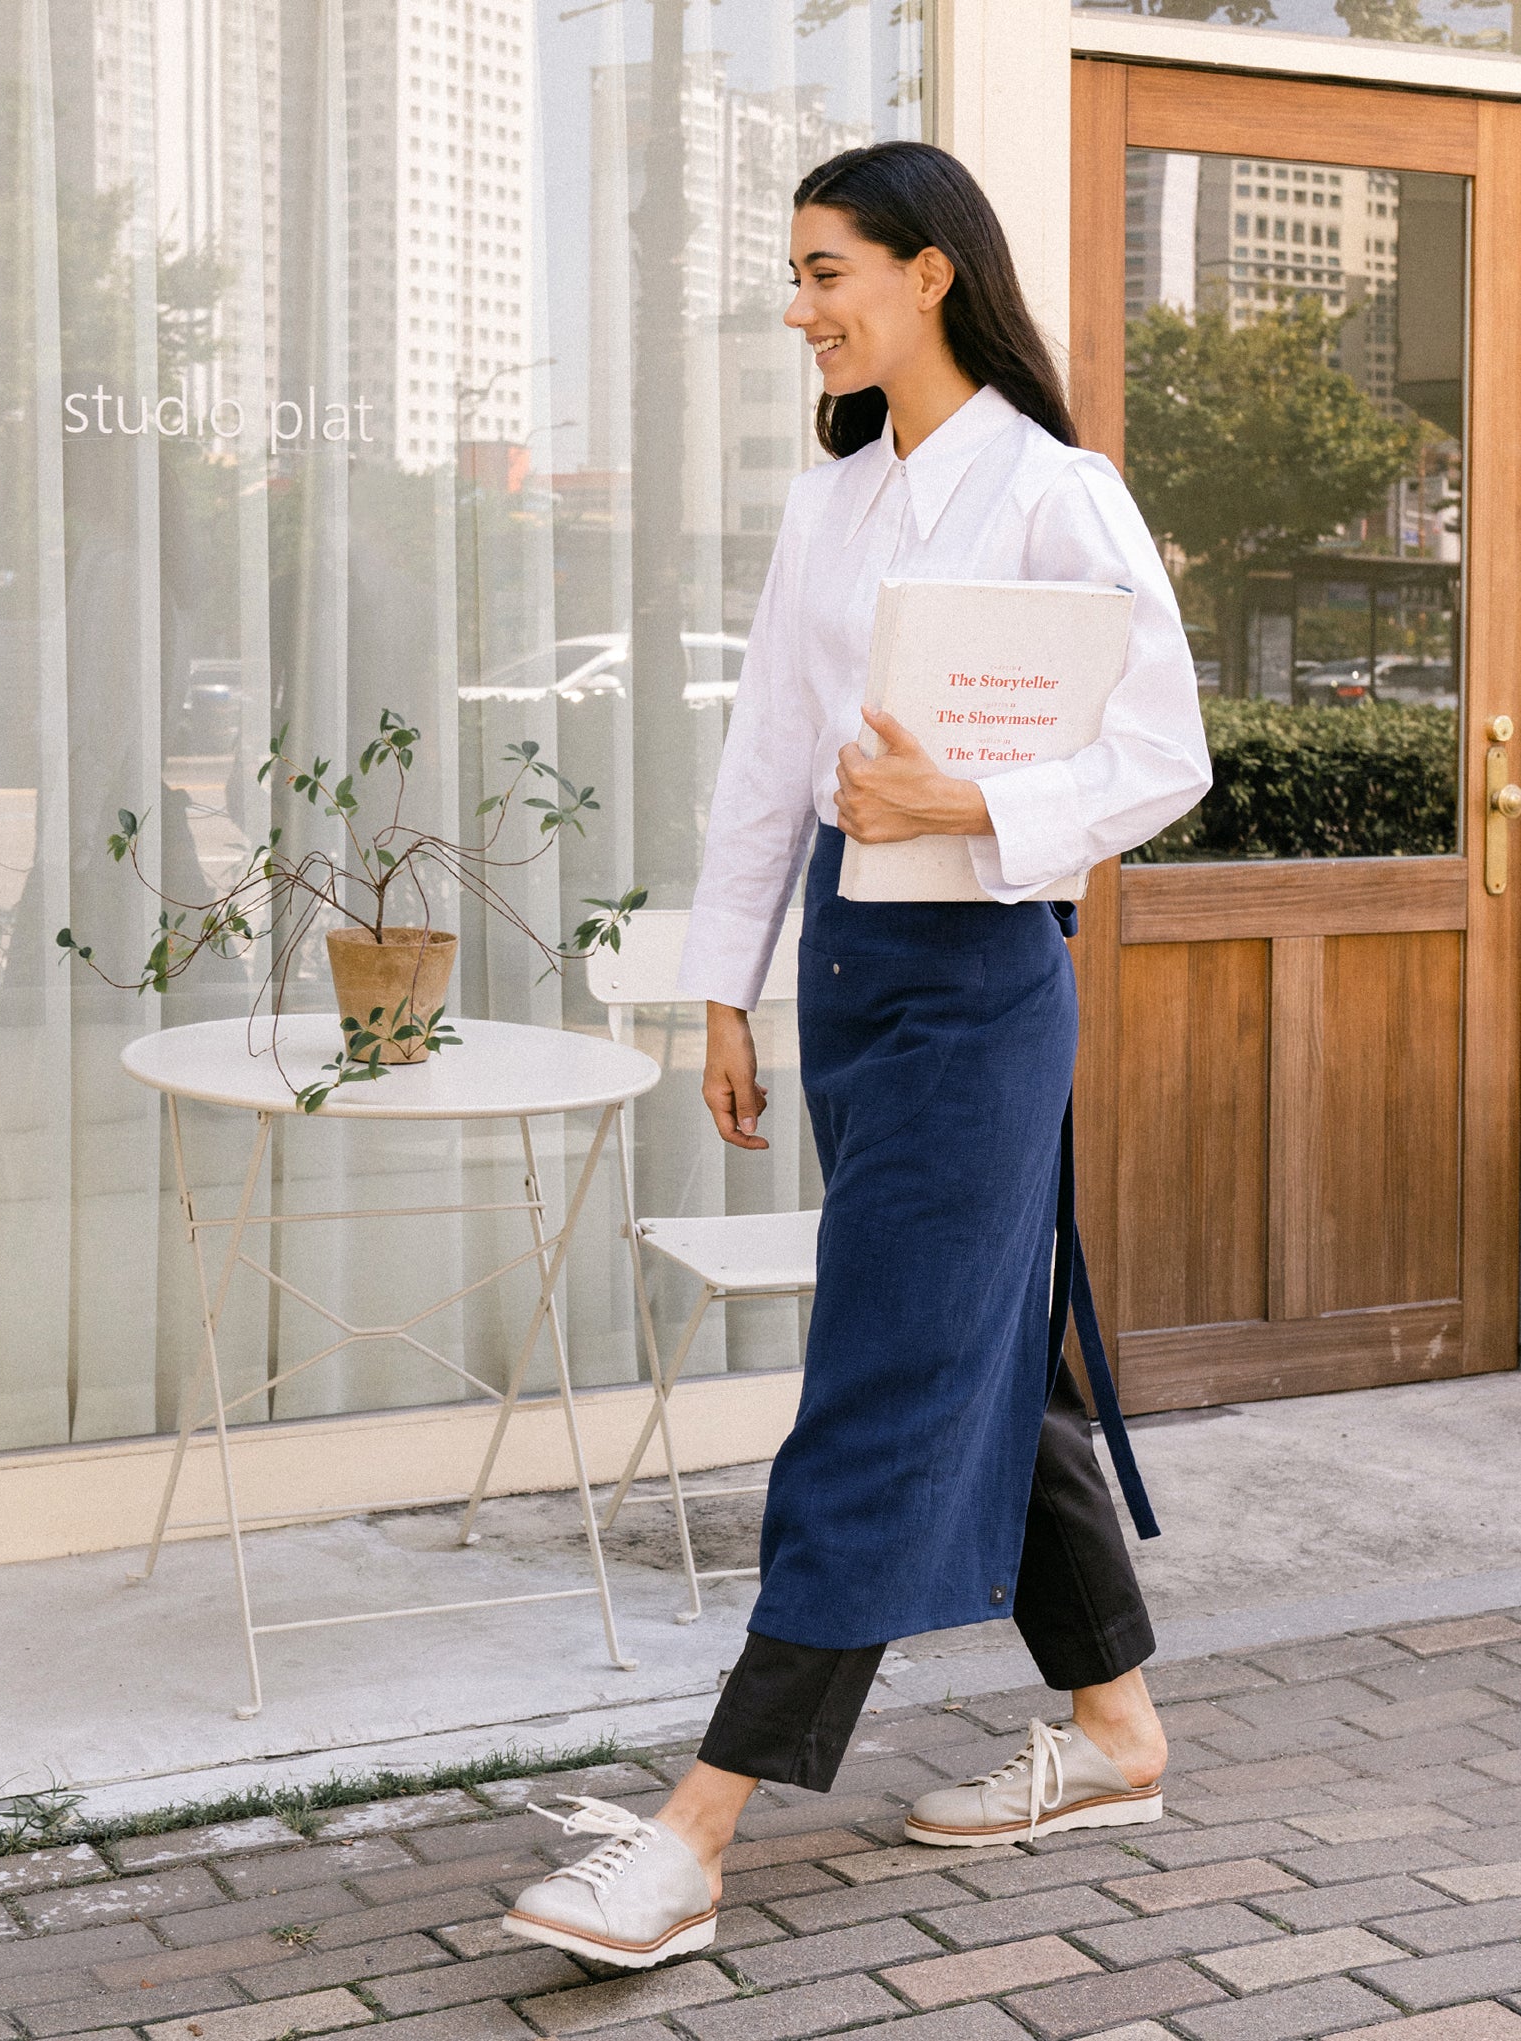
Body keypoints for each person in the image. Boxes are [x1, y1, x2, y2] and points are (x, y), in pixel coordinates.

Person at [502, 139, 1212, 1972]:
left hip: (982, 985)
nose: (801, 309)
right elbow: (765, 762)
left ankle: (695, 1833)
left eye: (828, 273)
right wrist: (722, 990)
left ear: (929, 276)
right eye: (797, 276)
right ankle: (1119, 1735)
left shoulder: (1062, 494)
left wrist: (968, 794)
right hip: (849, 967)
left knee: (886, 1376)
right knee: (987, 1353)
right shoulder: (834, 502)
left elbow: (1168, 754)